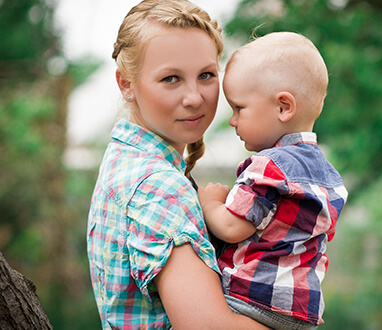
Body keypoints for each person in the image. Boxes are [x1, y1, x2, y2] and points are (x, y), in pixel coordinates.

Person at [86, 1, 267, 328]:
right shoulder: (156, 185)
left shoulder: (125, 158)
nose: (195, 97)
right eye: (171, 79)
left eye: (206, 75)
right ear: (126, 84)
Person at [198, 32, 349, 329]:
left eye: (239, 108)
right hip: (301, 311)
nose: (232, 120)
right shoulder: (330, 177)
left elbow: (231, 227)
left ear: (283, 107)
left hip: (253, 298)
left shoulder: (268, 167)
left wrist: (211, 203)